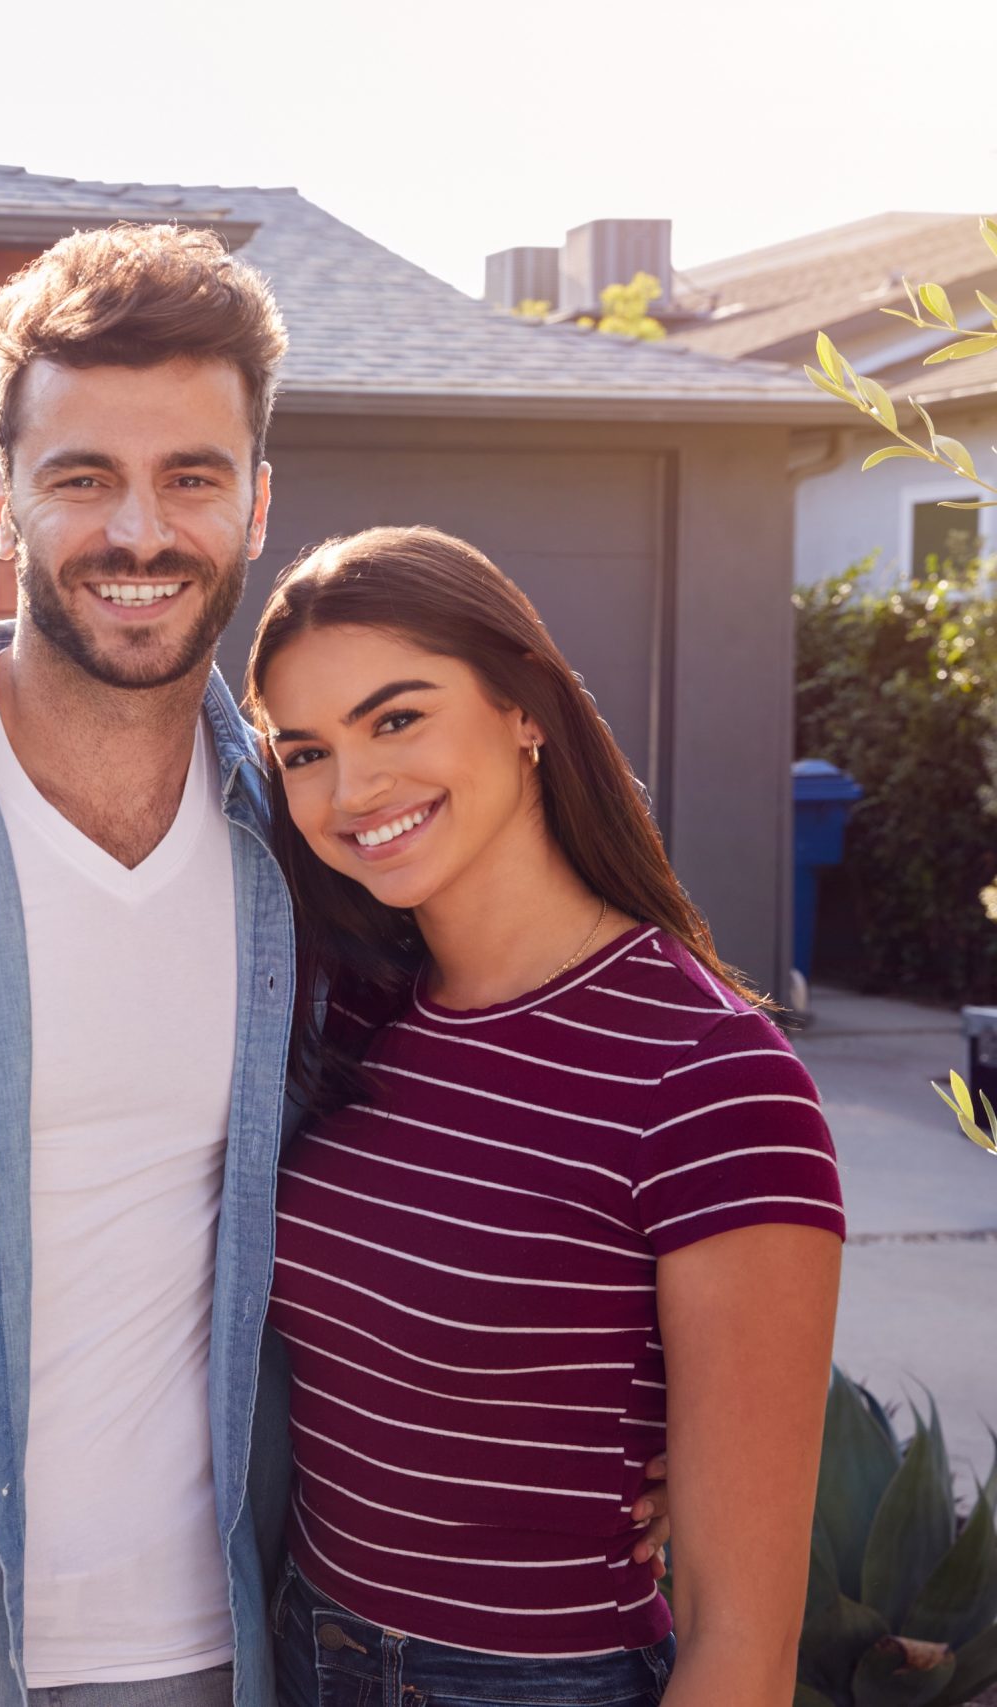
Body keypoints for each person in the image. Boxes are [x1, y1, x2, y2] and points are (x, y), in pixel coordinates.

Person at [0, 223, 669, 1707]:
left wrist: (659, 1423)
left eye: (191, 477)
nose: (140, 534)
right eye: (83, 476)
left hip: (237, 1647)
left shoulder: (310, 841)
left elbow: (488, 1121)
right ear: (4, 503)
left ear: (257, 502)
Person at [242, 526, 844, 1707]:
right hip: (302, 1646)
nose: (352, 790)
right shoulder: (346, 1017)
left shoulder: (713, 1076)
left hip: (532, 1681)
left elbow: (744, 1646)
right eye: (305, 750)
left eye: (397, 719)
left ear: (526, 710)